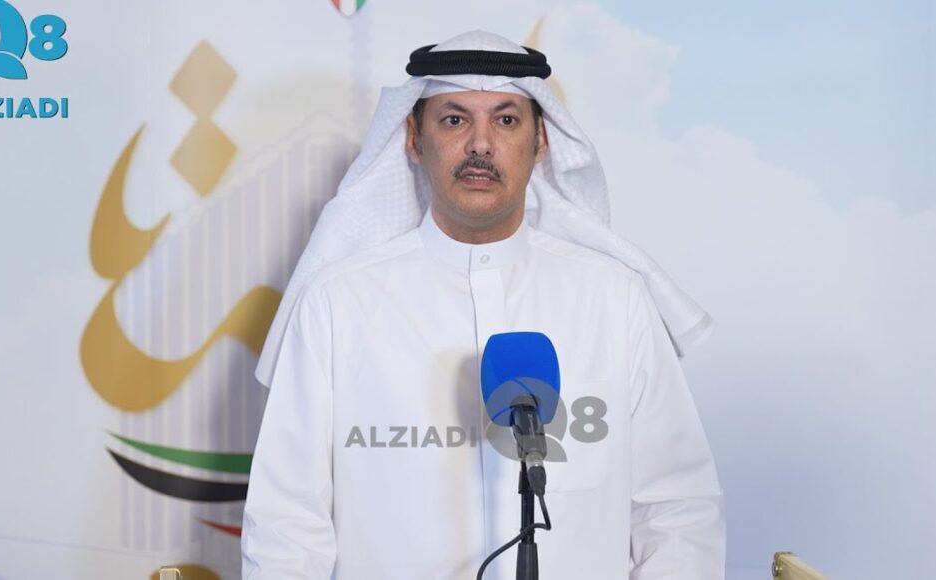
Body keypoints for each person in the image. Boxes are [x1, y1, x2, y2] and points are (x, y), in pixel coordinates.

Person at [242, 30, 725, 579]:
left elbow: (676, 509)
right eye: (454, 120)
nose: (480, 144)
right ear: (413, 139)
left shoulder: (615, 299)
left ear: (541, 142)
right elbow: (287, 526)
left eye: (506, 120)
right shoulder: (337, 305)